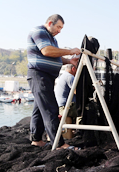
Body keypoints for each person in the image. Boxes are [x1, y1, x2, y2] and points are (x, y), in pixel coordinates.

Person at [27, 14, 80, 149]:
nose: (59, 31)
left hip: (47, 77)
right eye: (58, 27)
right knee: (51, 109)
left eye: (61, 28)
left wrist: (69, 61)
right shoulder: (39, 32)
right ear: (50, 23)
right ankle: (58, 144)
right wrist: (69, 51)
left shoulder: (52, 39)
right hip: (39, 75)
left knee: (39, 109)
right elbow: (47, 51)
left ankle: (37, 139)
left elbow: (55, 56)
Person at [54, 62, 81, 139]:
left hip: (61, 105)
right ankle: (80, 131)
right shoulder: (70, 77)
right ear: (73, 69)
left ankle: (73, 131)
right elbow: (76, 91)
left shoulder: (62, 76)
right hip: (68, 106)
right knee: (84, 111)